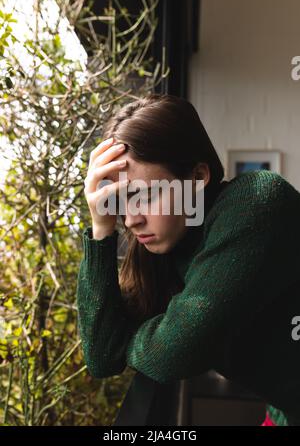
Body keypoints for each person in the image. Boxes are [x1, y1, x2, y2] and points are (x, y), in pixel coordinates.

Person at [77, 93, 300, 426]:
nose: (131, 218)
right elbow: (101, 357)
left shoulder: (256, 203)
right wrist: (100, 227)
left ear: (197, 177)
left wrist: (141, 337)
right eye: (119, 200)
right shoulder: (166, 248)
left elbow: (172, 354)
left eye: (145, 195)